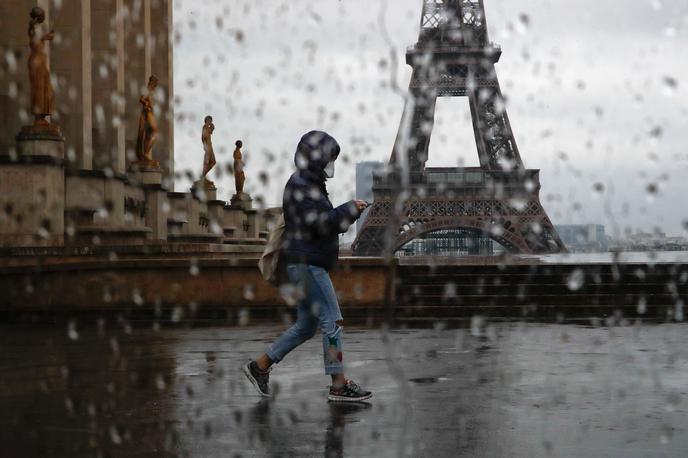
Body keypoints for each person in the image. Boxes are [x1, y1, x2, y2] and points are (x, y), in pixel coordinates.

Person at [243, 131, 371, 402]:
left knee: (306, 325)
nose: (333, 163)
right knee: (333, 322)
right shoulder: (302, 184)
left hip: (303, 263)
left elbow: (318, 222)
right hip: (308, 265)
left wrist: (345, 211)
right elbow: (317, 225)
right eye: (331, 157)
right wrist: (348, 210)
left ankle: (260, 366)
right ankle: (338, 385)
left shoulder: (306, 183)